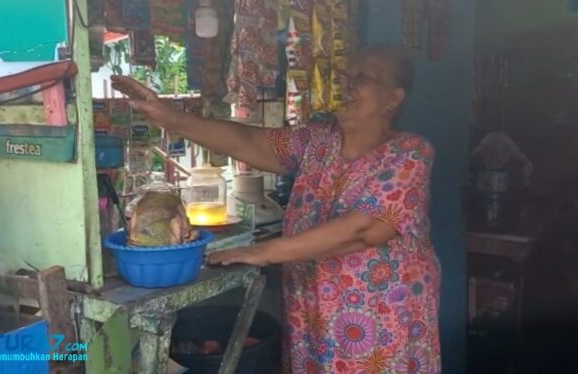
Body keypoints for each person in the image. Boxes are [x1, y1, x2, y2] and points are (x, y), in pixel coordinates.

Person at [112, 44, 440, 374]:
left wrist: (264, 251)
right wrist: (168, 116)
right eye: (345, 77)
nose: (347, 85)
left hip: (381, 323)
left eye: (363, 78)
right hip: (315, 319)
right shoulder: (318, 141)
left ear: (394, 98)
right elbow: (248, 143)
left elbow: (366, 229)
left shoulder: (408, 153)